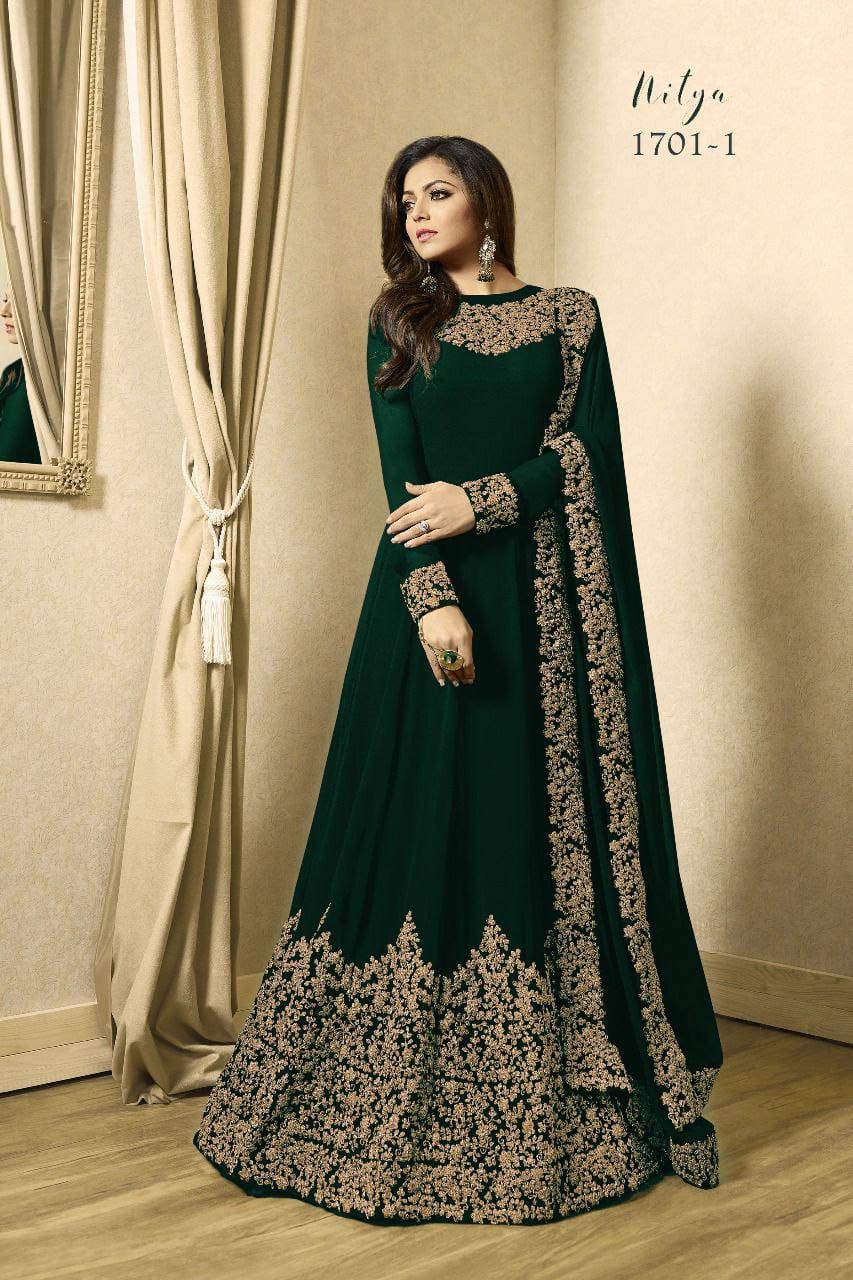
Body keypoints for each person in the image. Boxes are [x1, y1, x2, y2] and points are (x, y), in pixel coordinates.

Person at [192, 135, 723, 1227]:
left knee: (519, 820)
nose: (418, 213)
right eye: (405, 200)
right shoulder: (399, 319)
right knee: (415, 820)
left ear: (487, 200)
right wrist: (432, 600)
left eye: (438, 192)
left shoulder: (569, 317)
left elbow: (586, 456)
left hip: (546, 620)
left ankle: (565, 1084)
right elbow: (401, 481)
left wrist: (480, 499)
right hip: (426, 607)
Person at [0, 283, 40, 465]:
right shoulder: (14, 373)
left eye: (16, 301)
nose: (4, 311)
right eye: (5, 300)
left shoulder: (30, 378)